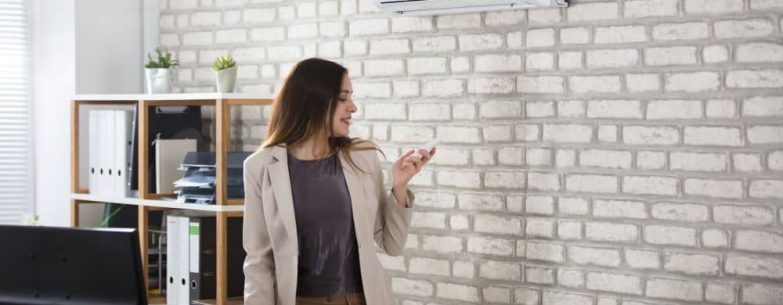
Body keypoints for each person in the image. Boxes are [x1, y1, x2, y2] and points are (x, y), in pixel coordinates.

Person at [243, 57, 435, 305]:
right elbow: (259, 261)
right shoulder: (261, 167)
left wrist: (399, 187)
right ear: (314, 101)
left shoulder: (362, 156)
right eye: (343, 98)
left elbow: (391, 244)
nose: (353, 107)